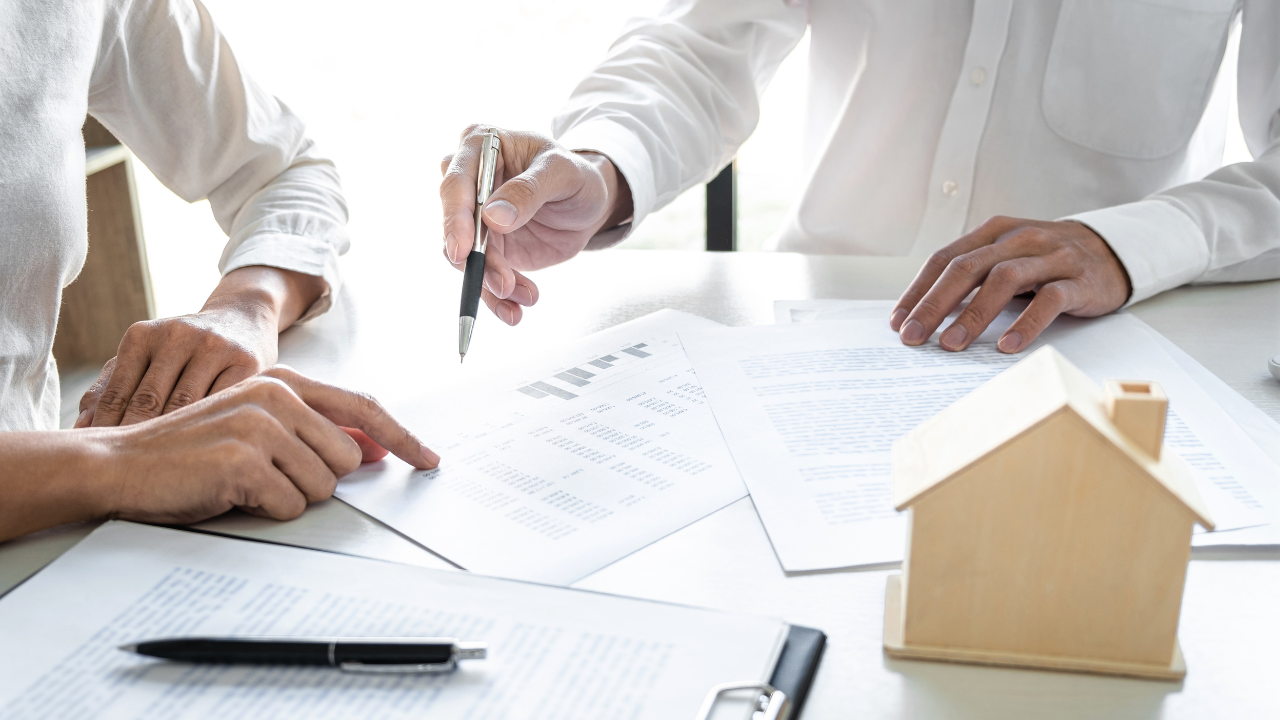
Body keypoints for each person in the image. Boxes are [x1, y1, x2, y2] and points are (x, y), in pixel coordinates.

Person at [439, 0, 1280, 353]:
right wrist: (601, 165)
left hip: (1095, 346)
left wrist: (1125, 243)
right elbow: (703, 42)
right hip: (819, 338)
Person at [0, 0, 437, 542]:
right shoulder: (108, 466)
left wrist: (245, 308)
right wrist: (117, 462)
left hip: (48, 544)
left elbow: (284, 171)